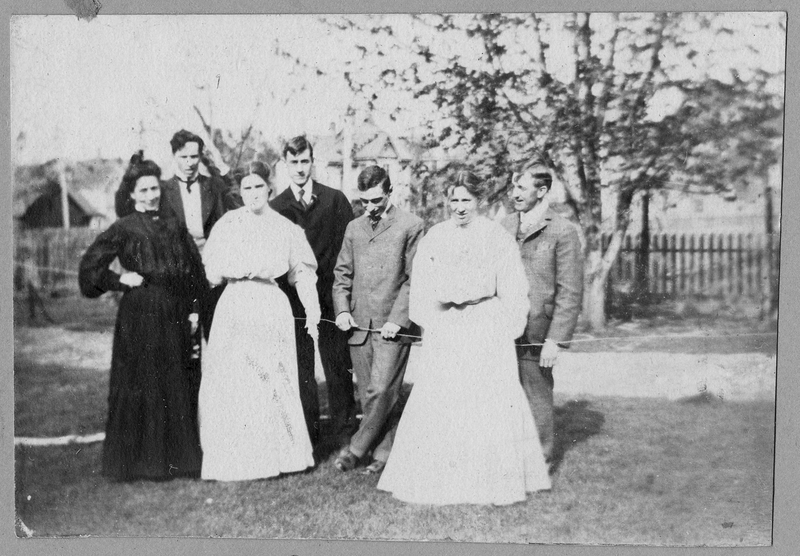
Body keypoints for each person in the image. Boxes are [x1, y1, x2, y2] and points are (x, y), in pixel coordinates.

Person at [377, 170, 551, 505]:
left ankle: (488, 481)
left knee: (485, 401)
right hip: (447, 326)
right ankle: (443, 478)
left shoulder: (496, 237)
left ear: (479, 200)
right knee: (444, 398)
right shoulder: (435, 237)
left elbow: (514, 288)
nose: (459, 207)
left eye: (466, 200)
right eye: (454, 200)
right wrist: (434, 322)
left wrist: (504, 327)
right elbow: (421, 289)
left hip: (485, 323)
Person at [79, 152, 207, 481]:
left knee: (176, 381)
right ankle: (141, 464)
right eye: (144, 190)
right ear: (132, 194)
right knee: (143, 383)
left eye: (154, 189)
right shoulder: (123, 228)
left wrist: (194, 309)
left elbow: (193, 271)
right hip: (140, 315)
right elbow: (90, 269)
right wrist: (121, 280)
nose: (151, 195)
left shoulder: (174, 225)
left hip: (175, 312)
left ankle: (180, 461)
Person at [197, 162, 319, 481]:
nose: (253, 193)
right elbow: (209, 274)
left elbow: (303, 272)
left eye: (258, 186)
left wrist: (313, 311)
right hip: (235, 303)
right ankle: (239, 457)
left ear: (270, 189)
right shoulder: (226, 225)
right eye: (247, 187)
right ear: (240, 192)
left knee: (272, 377)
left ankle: (280, 455)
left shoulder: (286, 228)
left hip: (270, 304)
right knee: (236, 379)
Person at [331, 166, 425, 474]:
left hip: (392, 326)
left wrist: (398, 319)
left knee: (382, 390)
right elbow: (341, 274)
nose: (369, 208)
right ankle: (383, 453)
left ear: (389, 193)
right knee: (371, 391)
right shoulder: (353, 228)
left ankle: (356, 449)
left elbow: (416, 279)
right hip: (358, 325)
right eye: (364, 202)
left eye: (375, 201)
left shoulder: (411, 226)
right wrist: (342, 310)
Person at [269, 136, 358, 457]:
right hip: (294, 301)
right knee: (300, 367)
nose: (300, 169)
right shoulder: (276, 208)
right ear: (285, 164)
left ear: (312, 162)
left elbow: (349, 254)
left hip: (330, 297)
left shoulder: (334, 200)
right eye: (293, 163)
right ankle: (307, 435)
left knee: (337, 365)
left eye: (304, 161)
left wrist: (344, 297)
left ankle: (347, 433)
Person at [500, 160, 584, 465]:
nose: (514, 193)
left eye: (521, 187)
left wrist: (555, 340)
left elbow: (570, 291)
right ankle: (510, 459)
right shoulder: (505, 226)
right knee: (505, 395)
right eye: (513, 186)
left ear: (542, 190)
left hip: (538, 329)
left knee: (536, 393)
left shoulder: (563, 231)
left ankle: (541, 460)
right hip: (503, 328)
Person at [159, 129, 242, 336]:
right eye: (183, 157)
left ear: (201, 157)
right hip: (179, 276)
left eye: (194, 157)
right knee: (182, 345)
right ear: (174, 156)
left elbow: (240, 204)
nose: (189, 163)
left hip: (212, 275)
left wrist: (221, 167)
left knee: (218, 339)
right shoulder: (162, 191)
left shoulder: (212, 186)